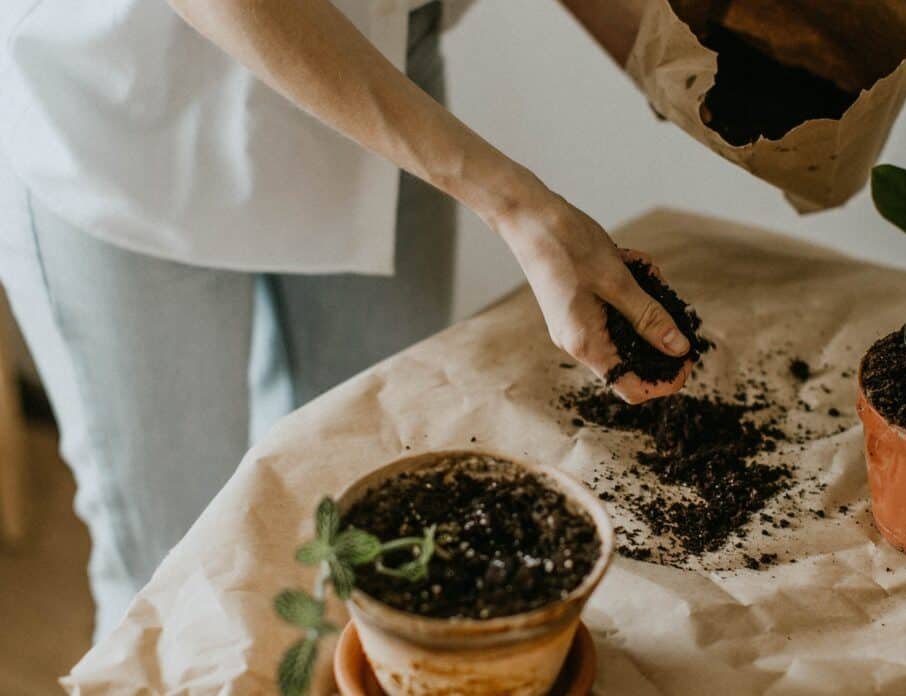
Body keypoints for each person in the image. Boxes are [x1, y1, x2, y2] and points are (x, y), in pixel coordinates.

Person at [0, 0, 692, 640]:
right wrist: (515, 206)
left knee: (375, 494)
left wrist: (692, 78)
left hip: (377, 54)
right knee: (172, 558)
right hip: (123, 104)